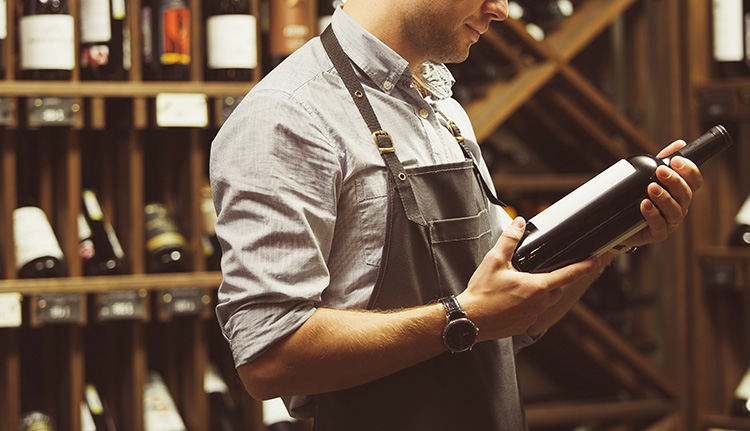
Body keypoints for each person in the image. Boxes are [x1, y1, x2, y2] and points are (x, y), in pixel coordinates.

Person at [209, 0, 703, 429]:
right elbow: (269, 359)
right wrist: (462, 317)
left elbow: (514, 316)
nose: (503, 10)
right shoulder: (288, 115)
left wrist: (612, 237)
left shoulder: (443, 108)